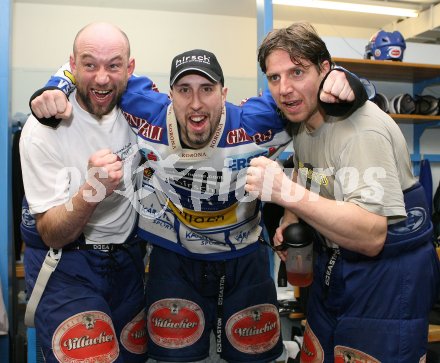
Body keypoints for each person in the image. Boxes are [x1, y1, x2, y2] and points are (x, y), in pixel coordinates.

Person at [30, 46, 366, 362]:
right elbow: (98, 69)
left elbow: (324, 97)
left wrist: (347, 79)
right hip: (173, 260)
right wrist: (56, 87)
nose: (195, 103)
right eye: (184, 90)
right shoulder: (145, 109)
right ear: (168, 95)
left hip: (243, 261)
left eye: (206, 89)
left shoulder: (259, 120)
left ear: (224, 94)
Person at [245, 22, 440, 362]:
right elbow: (313, 176)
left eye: (297, 72)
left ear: (325, 70)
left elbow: (371, 234)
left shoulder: (362, 131)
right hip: (335, 271)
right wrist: (290, 219)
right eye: (274, 78)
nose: (285, 88)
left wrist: (285, 193)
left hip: (387, 281)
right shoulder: (303, 122)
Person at [20, 22, 148, 363]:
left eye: (114, 65)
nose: (102, 78)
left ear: (130, 68)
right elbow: (51, 232)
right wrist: (91, 191)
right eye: (89, 65)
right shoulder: (42, 128)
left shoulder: (139, 112)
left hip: (128, 261)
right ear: (72, 66)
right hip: (67, 263)